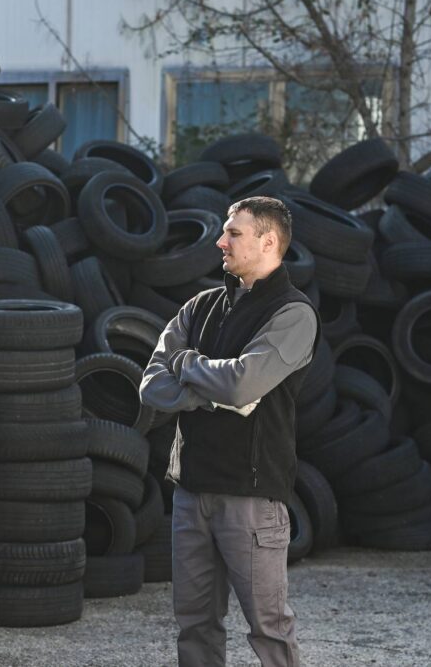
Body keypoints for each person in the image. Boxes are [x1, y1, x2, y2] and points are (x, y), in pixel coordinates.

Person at [139, 195, 319, 667]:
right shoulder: (198, 307)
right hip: (190, 492)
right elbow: (152, 386)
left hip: (251, 499)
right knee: (194, 625)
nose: (220, 241)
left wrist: (189, 365)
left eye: (233, 233)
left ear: (268, 241)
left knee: (269, 630)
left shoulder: (293, 314)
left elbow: (244, 383)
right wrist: (211, 388)